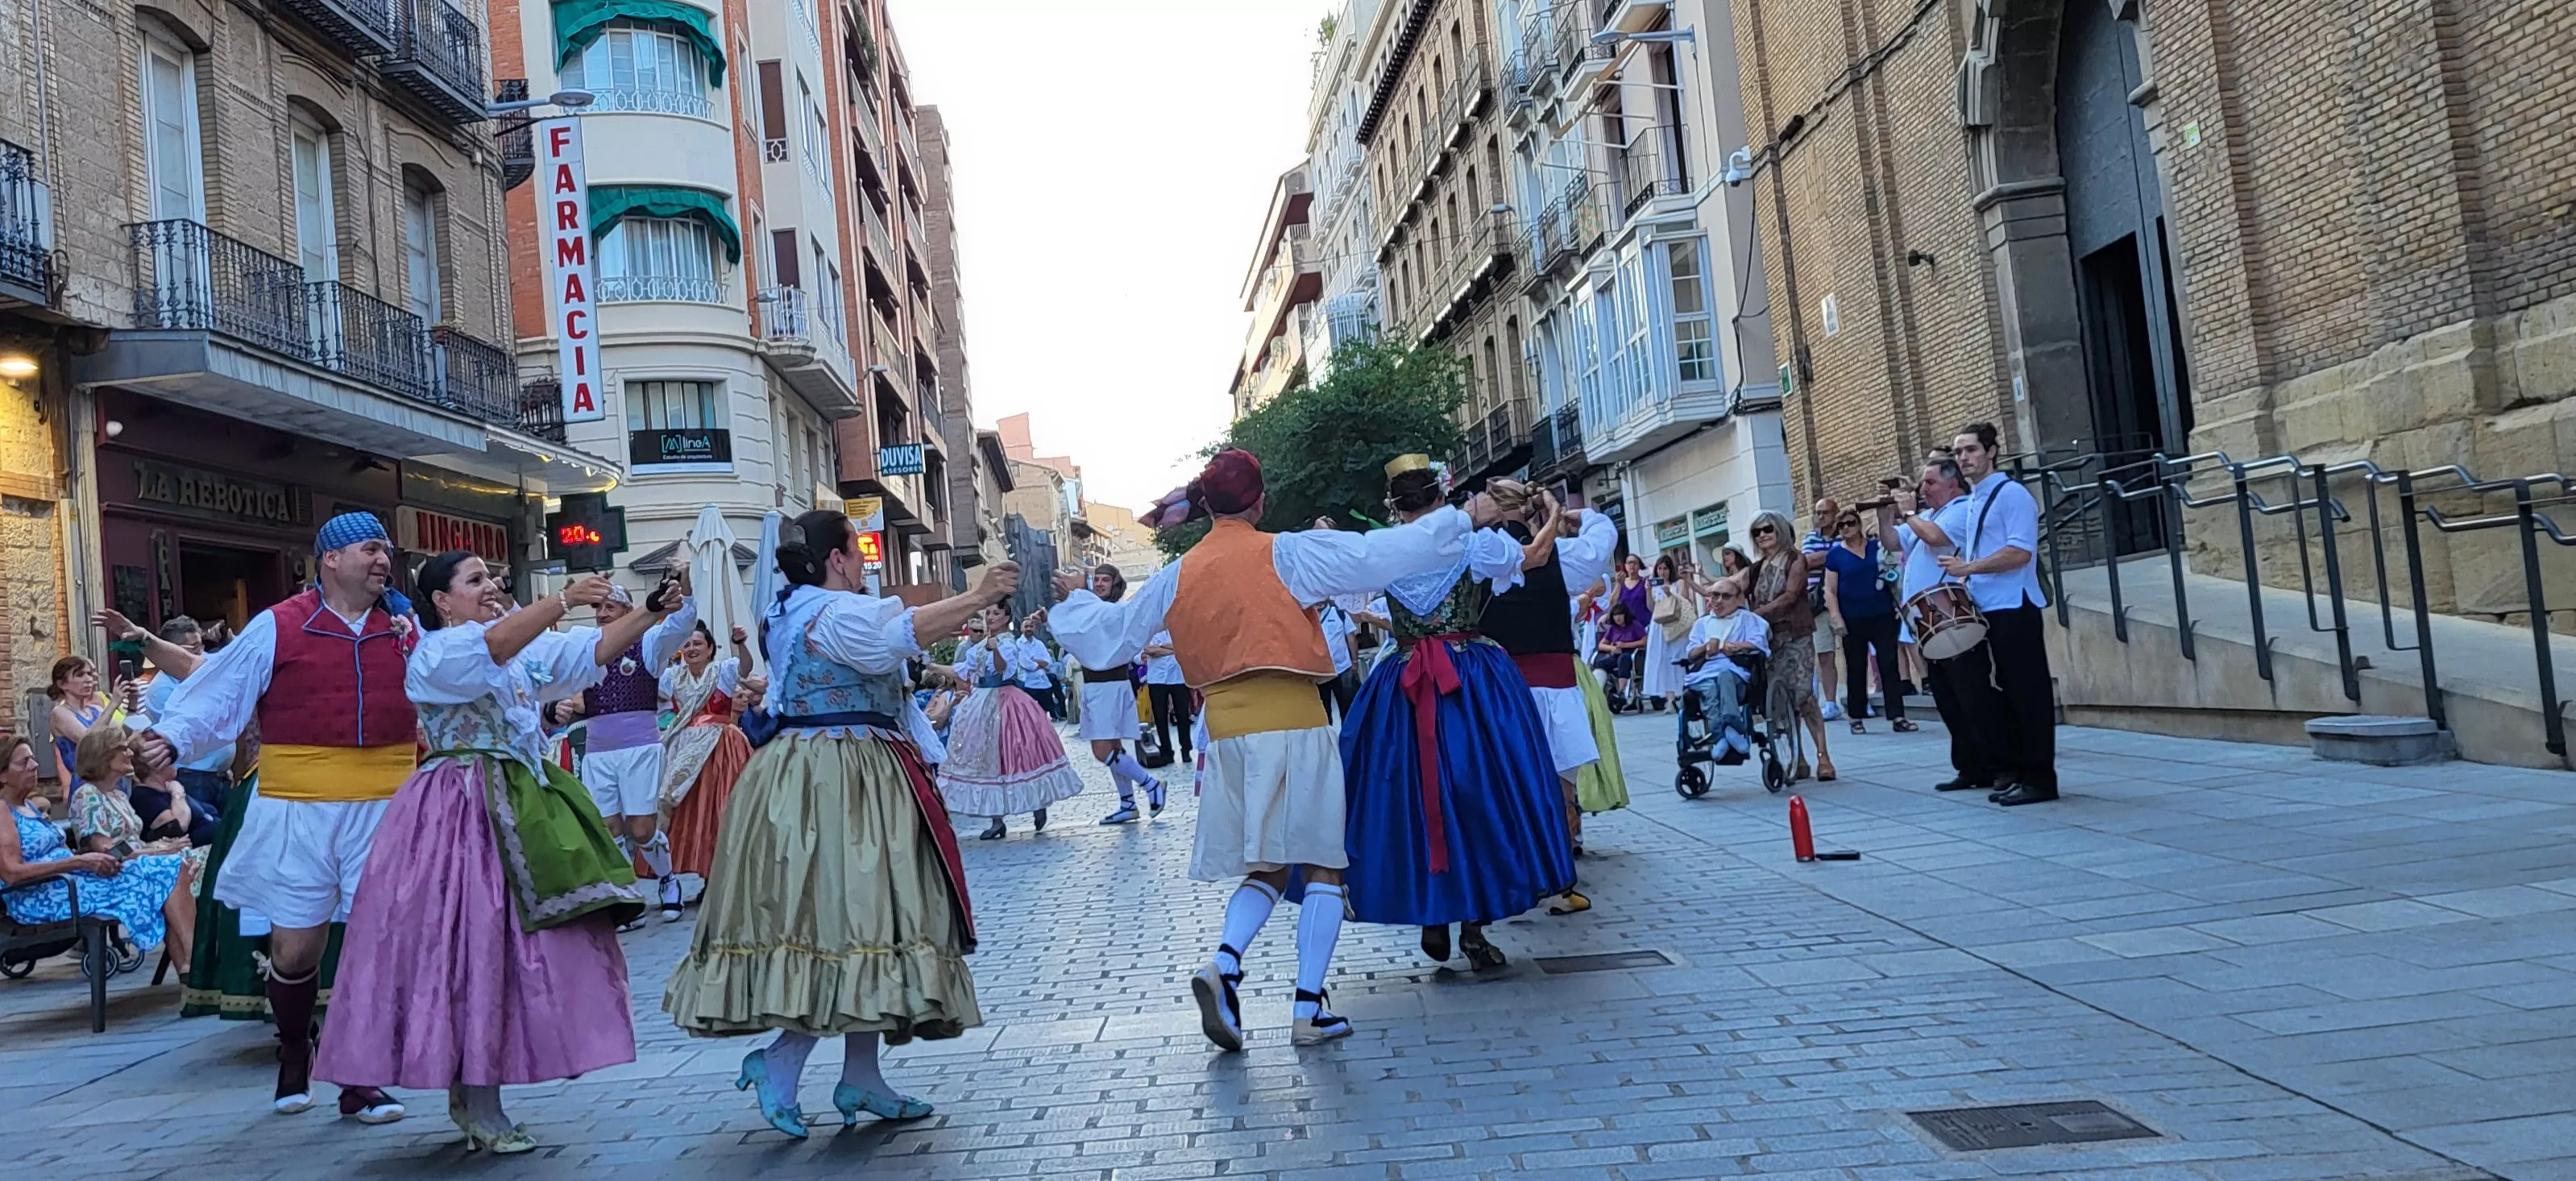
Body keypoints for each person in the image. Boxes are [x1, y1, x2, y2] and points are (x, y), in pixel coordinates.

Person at [1048, 448, 1479, 1052]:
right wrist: (1459, 515)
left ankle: (1225, 965)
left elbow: (1109, 638)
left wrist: (1074, 598)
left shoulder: (1176, 575)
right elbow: (1382, 555)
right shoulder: (1289, 551)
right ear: (1258, 501)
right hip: (1294, 720)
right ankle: (1307, 1007)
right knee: (1324, 862)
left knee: (1267, 866)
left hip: (1224, 731)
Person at [666, 511, 1012, 1139]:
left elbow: (879, 647)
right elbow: (900, 632)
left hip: (815, 771)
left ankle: (861, 1074)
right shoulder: (834, 611)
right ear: (837, 558)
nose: (861, 563)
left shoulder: (793, 611)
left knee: (863, 917)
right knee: (849, 916)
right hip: (843, 776)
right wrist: (979, 596)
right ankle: (782, 1061)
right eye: (856, 551)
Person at [312, 557, 662, 1153]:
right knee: (471, 947)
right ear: (442, 602)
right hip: (461, 810)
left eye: (491, 579)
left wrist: (653, 612)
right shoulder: (435, 653)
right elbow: (494, 647)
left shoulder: (513, 650)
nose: (490, 588)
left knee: (515, 950)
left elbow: (587, 653)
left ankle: (483, 1088)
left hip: (518, 803)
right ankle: (477, 1097)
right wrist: (564, 597)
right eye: (474, 581)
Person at [139, 512, 409, 1124]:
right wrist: (172, 740)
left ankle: (359, 1079)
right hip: (298, 807)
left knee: (370, 943)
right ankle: (294, 1050)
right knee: (295, 948)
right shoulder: (278, 626)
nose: (382, 561)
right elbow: (218, 694)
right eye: (370, 549)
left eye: (386, 551)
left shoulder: (405, 627)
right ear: (331, 559)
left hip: (385, 807)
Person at [1342, 460, 1579, 968]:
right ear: (1440, 494)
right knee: (1484, 791)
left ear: (1395, 505)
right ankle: (1473, 927)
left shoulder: (1384, 551)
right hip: (1472, 676)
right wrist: (1553, 511)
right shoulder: (1472, 545)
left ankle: (1433, 911)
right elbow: (1535, 558)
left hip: (1403, 678)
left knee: (1409, 793)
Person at [1479, 491, 1620, 910]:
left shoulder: (1478, 556)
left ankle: (1511, 874)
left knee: (1506, 787)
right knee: (1562, 787)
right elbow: (1603, 537)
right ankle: (1562, 884)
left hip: (1503, 690)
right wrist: (1577, 514)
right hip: (1556, 686)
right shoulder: (1562, 554)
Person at [554, 579, 699, 927]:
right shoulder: (586, 647)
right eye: (598, 608)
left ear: (627, 610)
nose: (603, 614)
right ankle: (629, 895)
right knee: (609, 827)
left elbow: (680, 625)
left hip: (639, 749)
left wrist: (687, 589)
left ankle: (667, 878)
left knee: (643, 829)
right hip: (599, 751)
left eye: (611, 607)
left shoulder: (647, 642)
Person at [1, 734, 196, 970]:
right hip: (46, 895)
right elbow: (12, 873)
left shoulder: (30, 806)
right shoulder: (6, 809)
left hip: (71, 881)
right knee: (169, 869)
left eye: (33, 759)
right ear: (3, 775)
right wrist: (81, 862)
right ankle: (195, 964)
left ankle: (189, 970)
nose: (35, 765)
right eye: (24, 762)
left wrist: (152, 850)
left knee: (170, 872)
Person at [1939, 423, 2057, 805]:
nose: (1963, 458)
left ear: (1992, 451)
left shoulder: (2013, 495)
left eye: (1971, 450)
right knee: (2000, 693)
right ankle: (2016, 771)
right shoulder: (1975, 498)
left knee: (2029, 693)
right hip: (1987, 605)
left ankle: (2040, 778)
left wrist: (1967, 569)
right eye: (1958, 453)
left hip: (2014, 604)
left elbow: (2020, 553)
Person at [941, 603, 1086, 839]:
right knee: (987, 756)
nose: (990, 617)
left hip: (1008, 701)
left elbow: (1001, 668)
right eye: (988, 613)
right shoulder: (977, 648)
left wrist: (995, 649)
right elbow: (962, 671)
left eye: (996, 613)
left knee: (1021, 752)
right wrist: (929, 665)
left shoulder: (1008, 643)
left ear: (1007, 617)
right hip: (981, 703)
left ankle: (1038, 804)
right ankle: (996, 819)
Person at [1888, 454, 1989, 792]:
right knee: (1948, 698)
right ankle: (1969, 767)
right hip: (1929, 622)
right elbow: (1891, 542)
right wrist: (1884, 509)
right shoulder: (1927, 515)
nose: (1923, 489)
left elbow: (1934, 538)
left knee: (1972, 696)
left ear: (1952, 484)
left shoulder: (1961, 509)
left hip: (1955, 618)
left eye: (1930, 483)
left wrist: (1908, 511)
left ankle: (1993, 765)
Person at [658, 622, 761, 884]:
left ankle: (730, 877)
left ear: (710, 648)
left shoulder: (722, 671)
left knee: (720, 809)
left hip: (721, 747)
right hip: (686, 751)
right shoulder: (672, 677)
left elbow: (745, 668)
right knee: (694, 813)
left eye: (698, 644)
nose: (692, 648)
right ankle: (702, 876)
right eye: (687, 644)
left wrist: (741, 644)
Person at [1073, 567, 1167, 826]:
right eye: (1098, 579)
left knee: (1102, 750)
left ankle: (1151, 784)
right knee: (1113, 748)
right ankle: (1127, 803)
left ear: (1115, 584)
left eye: (1106, 579)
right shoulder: (1094, 611)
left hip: (1109, 686)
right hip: (1098, 686)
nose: (1101, 583)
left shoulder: (1113, 612)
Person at [1748, 509, 1835, 782]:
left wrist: (1757, 615)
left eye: (1768, 529)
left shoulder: (1795, 559)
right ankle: (1798, 759)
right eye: (1757, 531)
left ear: (1780, 531)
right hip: (1770, 641)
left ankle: (1824, 758)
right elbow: (1734, 586)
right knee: (1781, 701)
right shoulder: (1756, 568)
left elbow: (1791, 595)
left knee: (1804, 695)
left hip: (1795, 635)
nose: (1763, 535)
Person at [1823, 507, 1914, 734]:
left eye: (1850, 523)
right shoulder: (1835, 555)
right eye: (1841, 525)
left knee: (1889, 664)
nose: (1846, 528)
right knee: (1855, 668)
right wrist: (1836, 617)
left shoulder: (1876, 547)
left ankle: (1897, 716)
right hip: (1852, 617)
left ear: (1859, 524)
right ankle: (1856, 716)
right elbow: (1830, 590)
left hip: (1882, 613)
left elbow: (1892, 575)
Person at [1680, 582, 1773, 763]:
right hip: (1705, 673)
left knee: (1724, 676)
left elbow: (1760, 643)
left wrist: (1737, 646)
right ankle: (1722, 735)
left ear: (1739, 599)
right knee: (1710, 688)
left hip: (1735, 674)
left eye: (1726, 596)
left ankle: (1731, 727)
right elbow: (1690, 653)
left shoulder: (1748, 619)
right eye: (1715, 596)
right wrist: (1705, 648)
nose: (1719, 601)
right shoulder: (1702, 624)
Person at [1802, 498, 1844, 719]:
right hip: (1817, 605)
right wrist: (1836, 554)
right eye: (1817, 513)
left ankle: (1860, 698)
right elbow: (1806, 561)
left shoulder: (1845, 533)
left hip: (1844, 600)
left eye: (1825, 513)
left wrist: (1829, 557)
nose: (1820, 517)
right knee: (1825, 654)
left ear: (1835, 513)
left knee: (1854, 652)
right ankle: (1830, 703)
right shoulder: (1810, 537)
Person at [48, 655, 114, 789]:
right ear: (62, 684)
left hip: (111, 782)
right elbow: (89, 741)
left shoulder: (96, 710)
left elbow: (122, 736)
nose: (88, 679)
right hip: (86, 787)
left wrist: (132, 706)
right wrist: (114, 704)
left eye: (89, 674)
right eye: (80, 675)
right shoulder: (60, 713)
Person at [1642, 554, 1694, 711]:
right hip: (1659, 625)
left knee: (1677, 658)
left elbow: (1685, 602)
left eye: (1665, 568)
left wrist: (1670, 592)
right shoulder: (1654, 586)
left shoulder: (1678, 583)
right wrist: (1648, 590)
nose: (1662, 571)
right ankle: (1670, 699)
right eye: (1659, 568)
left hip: (1676, 625)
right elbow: (1651, 608)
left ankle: (1683, 694)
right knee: (1663, 660)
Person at [1143, 628, 1193, 765]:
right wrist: (1173, 649)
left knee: (1183, 715)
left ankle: (1186, 749)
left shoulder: (1179, 631)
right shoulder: (1151, 632)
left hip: (1178, 678)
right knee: (1160, 717)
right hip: (1157, 679)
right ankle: (1166, 751)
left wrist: (1161, 649)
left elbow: (1184, 647)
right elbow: (1149, 650)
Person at [1589, 601, 1646, 707]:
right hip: (1615, 653)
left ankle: (1620, 692)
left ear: (1626, 615)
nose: (1617, 618)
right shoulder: (1613, 628)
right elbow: (1601, 645)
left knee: (1623, 659)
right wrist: (1612, 648)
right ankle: (1597, 692)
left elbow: (1644, 641)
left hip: (1631, 653)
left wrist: (1625, 645)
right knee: (1601, 663)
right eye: (1615, 615)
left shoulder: (1634, 625)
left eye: (1620, 615)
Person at [1014, 614, 1066, 721]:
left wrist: (1035, 662)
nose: (1029, 628)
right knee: (1029, 716)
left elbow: (1049, 662)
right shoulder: (1018, 644)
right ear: (1021, 628)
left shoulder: (1039, 644)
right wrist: (1040, 664)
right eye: (1026, 626)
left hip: (1043, 682)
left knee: (1044, 716)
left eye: (1031, 626)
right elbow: (1026, 664)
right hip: (1028, 684)